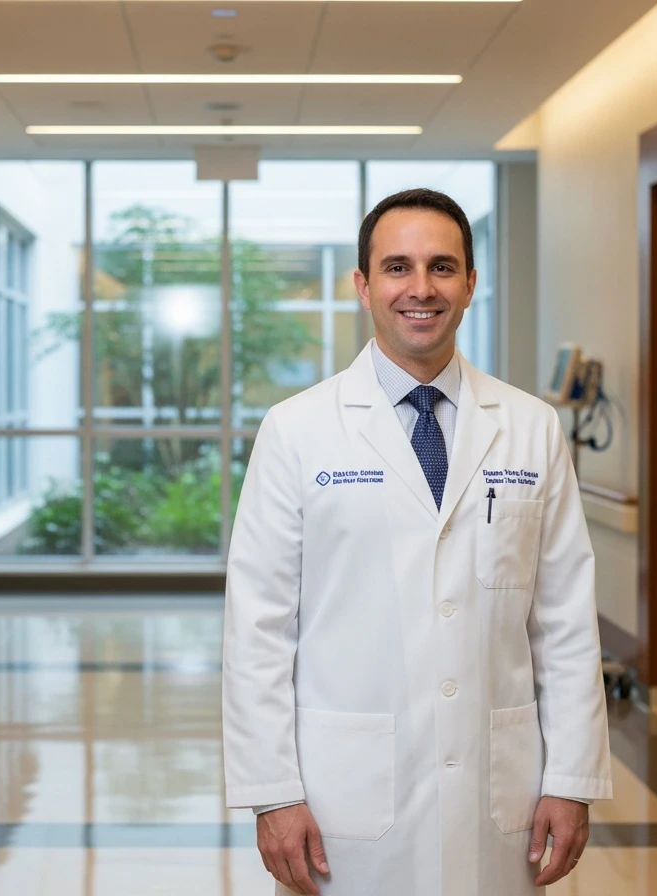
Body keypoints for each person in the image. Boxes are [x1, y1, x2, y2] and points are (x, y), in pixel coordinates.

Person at [221, 188, 612, 895]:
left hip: (501, 793)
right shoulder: (297, 430)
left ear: (470, 283)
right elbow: (258, 628)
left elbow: (565, 623)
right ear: (364, 286)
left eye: (442, 266)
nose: (421, 288)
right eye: (397, 267)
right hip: (346, 795)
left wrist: (573, 779)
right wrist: (273, 792)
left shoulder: (529, 427)